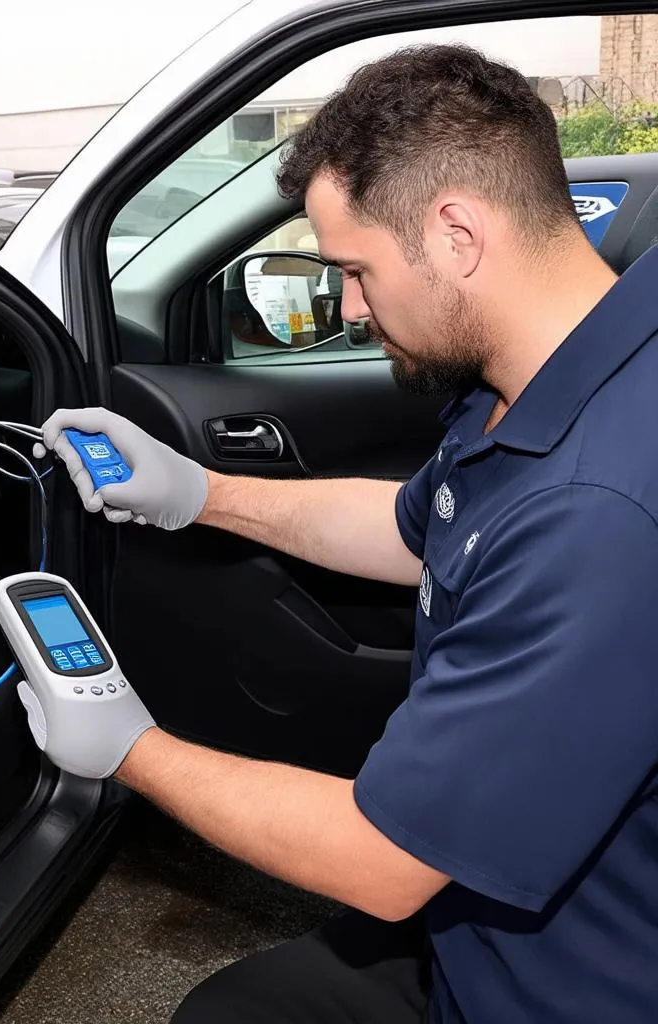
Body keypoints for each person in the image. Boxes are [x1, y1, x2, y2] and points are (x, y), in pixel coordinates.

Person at [32, 44, 658, 1023]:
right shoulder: (549, 371)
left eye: (354, 270)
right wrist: (197, 490)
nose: (352, 307)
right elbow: (416, 528)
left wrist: (124, 746)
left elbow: (382, 861)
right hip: (485, 922)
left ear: (455, 232)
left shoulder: (597, 508)